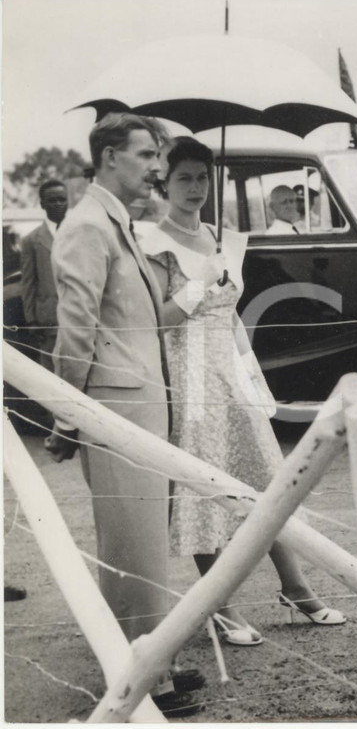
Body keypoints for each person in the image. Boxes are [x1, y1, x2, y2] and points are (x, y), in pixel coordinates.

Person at [140, 137, 346, 649]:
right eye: (184, 178)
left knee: (265, 483)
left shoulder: (220, 236)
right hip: (187, 377)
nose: (195, 188)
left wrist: (251, 373)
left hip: (229, 371)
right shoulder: (152, 241)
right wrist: (198, 282)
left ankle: (296, 590)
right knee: (204, 490)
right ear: (165, 182)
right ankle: (220, 607)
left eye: (202, 178)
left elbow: (231, 314)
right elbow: (157, 319)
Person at [46, 113, 202, 716]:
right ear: (109, 156)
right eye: (144, 156)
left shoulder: (119, 224)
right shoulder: (88, 225)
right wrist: (68, 415)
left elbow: (144, 321)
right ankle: (142, 681)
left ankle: (149, 664)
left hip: (142, 406)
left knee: (142, 545)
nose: (156, 170)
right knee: (131, 545)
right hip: (115, 410)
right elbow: (76, 330)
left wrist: (194, 294)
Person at [20, 179, 68, 373]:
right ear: (42, 204)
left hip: (78, 317)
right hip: (49, 319)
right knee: (50, 371)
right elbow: (29, 283)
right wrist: (31, 320)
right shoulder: (32, 240)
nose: (58, 204)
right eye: (52, 200)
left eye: (62, 200)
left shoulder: (79, 233)